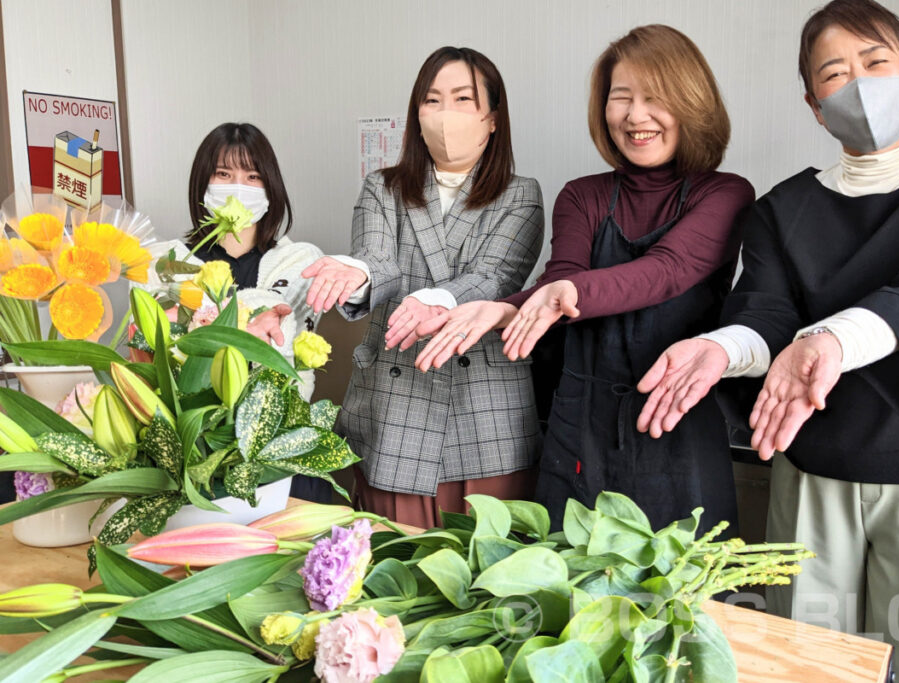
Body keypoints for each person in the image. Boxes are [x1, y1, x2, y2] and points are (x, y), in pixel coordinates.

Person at [636, 2, 899, 681]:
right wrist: (722, 348)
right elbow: (764, 314)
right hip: (815, 469)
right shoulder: (782, 208)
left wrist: (828, 343)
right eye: (834, 75)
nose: (858, 87)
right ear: (815, 105)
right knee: (804, 662)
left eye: (876, 64)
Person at [413, 25, 754, 533]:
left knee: (681, 599)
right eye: (621, 98)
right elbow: (563, 278)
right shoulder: (582, 195)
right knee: (563, 595)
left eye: (655, 97)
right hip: (580, 424)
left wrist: (559, 295)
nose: (636, 116)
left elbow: (665, 271)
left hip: (675, 421)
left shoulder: (726, 194)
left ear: (692, 102)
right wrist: (508, 308)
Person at [300, 47, 544, 528]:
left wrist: (435, 298)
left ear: (492, 118)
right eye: (432, 101)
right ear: (417, 114)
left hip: (485, 406)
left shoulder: (521, 193)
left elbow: (497, 276)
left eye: (462, 99)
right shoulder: (382, 187)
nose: (445, 115)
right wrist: (359, 273)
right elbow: (378, 259)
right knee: (392, 568)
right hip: (397, 401)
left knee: (488, 573)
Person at [144, 122, 328, 499]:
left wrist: (231, 328)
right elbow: (154, 351)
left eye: (252, 175)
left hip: (277, 440)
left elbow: (286, 329)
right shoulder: (164, 262)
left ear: (271, 186)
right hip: (192, 442)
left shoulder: (299, 260)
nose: (237, 187)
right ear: (203, 183)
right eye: (223, 174)